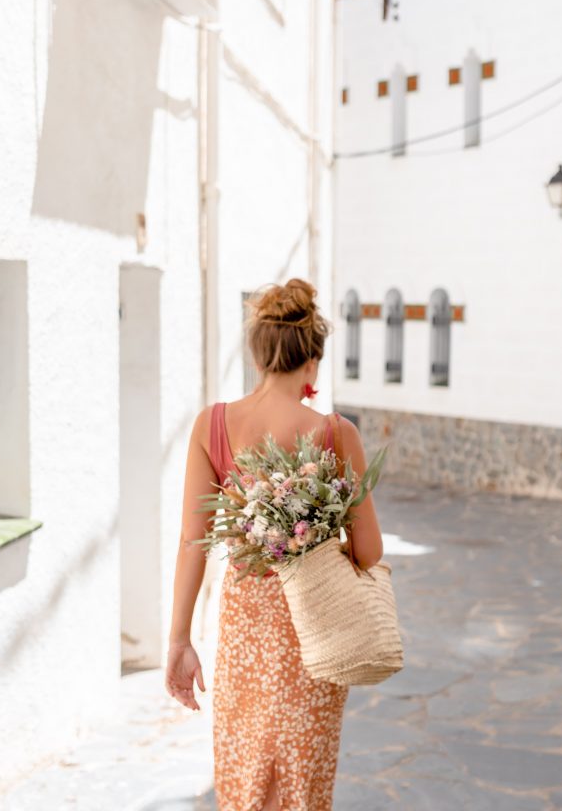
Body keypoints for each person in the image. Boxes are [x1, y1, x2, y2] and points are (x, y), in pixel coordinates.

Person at [165, 278, 383, 811]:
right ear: (312, 361)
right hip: (314, 635)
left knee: (245, 780)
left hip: (243, 638)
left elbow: (193, 540)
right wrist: (310, 530)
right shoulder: (336, 433)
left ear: (259, 354)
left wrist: (178, 641)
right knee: (302, 786)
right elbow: (370, 550)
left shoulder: (212, 425)